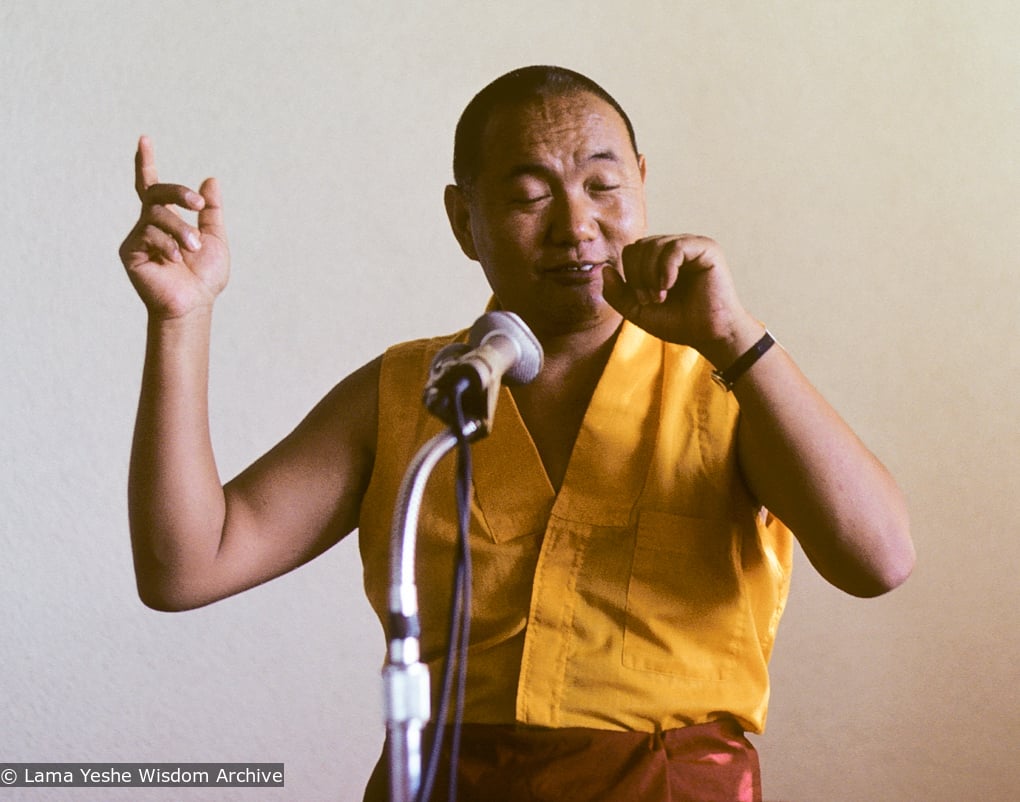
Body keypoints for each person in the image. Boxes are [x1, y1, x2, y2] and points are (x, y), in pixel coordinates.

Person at [119, 66, 914, 802]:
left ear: (643, 181)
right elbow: (185, 567)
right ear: (464, 220)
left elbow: (880, 561)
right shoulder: (411, 391)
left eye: (605, 185)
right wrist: (181, 320)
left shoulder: (729, 374)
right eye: (530, 196)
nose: (578, 226)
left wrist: (738, 337)